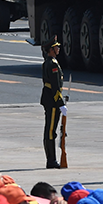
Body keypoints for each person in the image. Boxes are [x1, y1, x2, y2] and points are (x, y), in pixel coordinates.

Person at [40, 35, 66, 169]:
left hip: (49, 99)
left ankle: (51, 159)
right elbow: (55, 87)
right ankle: (51, 160)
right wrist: (60, 103)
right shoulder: (52, 64)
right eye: (56, 47)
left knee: (50, 130)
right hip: (52, 101)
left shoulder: (49, 62)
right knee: (50, 131)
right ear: (51, 50)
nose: (58, 48)